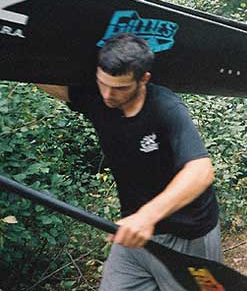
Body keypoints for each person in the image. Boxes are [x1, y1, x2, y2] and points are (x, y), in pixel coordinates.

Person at [37, 33, 220, 291]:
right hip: (134, 235)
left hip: (187, 236)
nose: (108, 94)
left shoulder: (165, 107)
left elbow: (200, 171)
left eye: (120, 88)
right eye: (102, 83)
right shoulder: (97, 97)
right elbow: (46, 82)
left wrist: (146, 216)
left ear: (143, 79)